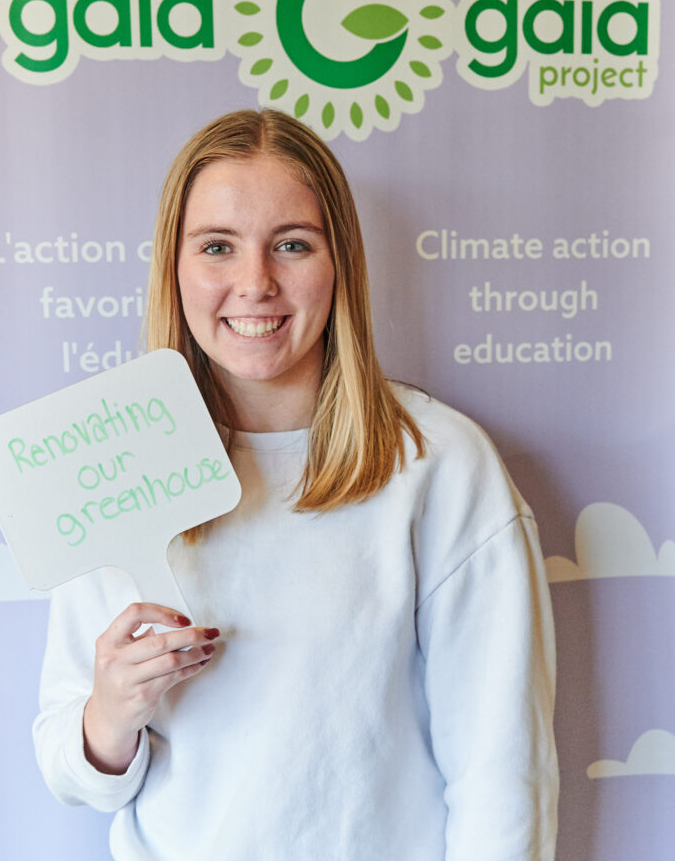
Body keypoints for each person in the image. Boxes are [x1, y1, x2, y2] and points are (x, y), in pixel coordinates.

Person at [34, 109, 558, 860]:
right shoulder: (112, 463)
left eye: (292, 245)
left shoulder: (439, 464)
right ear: (173, 269)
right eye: (218, 246)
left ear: (339, 262)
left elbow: (503, 775)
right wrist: (109, 715)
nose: (256, 283)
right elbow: (73, 774)